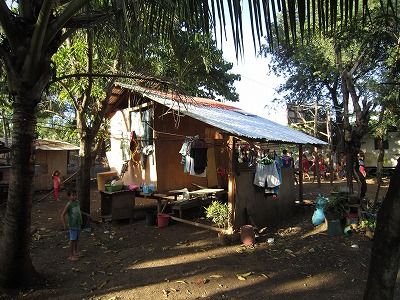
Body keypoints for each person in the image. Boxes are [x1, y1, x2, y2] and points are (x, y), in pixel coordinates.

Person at [61, 190, 82, 261]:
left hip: (78, 223)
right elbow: (62, 215)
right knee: (72, 240)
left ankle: (75, 252)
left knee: (76, 239)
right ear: (69, 197)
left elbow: (78, 211)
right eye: (73, 195)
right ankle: (71, 255)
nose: (75, 197)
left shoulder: (77, 202)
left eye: (75, 195)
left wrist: (86, 215)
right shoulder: (69, 205)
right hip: (72, 225)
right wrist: (65, 225)